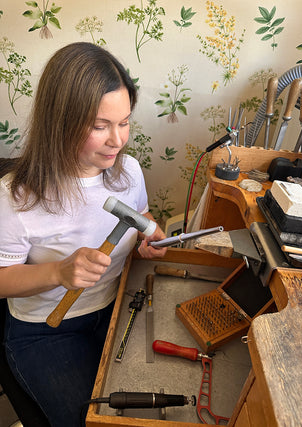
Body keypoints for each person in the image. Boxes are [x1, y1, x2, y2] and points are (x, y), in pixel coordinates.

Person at [0, 42, 167, 427]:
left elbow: (142, 217)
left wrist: (149, 237)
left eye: (124, 122)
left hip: (117, 306)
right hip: (46, 331)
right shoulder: (17, 195)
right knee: (92, 421)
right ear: (60, 121)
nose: (118, 140)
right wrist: (58, 273)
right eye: (99, 126)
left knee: (152, 409)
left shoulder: (129, 173)